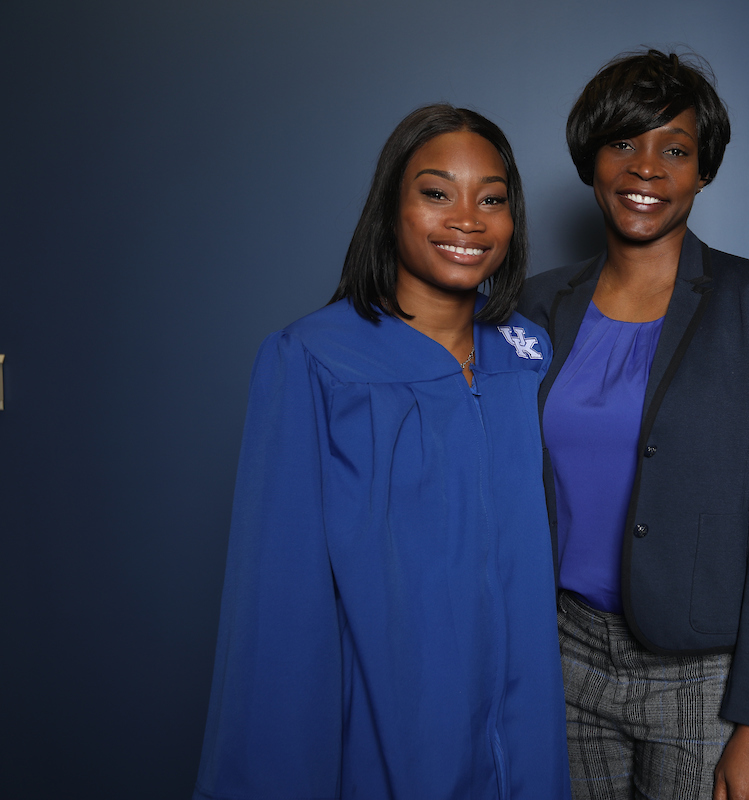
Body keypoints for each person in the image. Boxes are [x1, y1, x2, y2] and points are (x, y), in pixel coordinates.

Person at [194, 104, 571, 800]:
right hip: (387, 726)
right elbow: (281, 603)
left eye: (492, 199)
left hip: (521, 730)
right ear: (390, 209)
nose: (467, 218)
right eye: (436, 193)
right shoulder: (313, 358)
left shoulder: (525, 355)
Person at [518, 50, 749, 800]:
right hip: (560, 656)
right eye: (623, 142)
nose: (645, 168)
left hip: (698, 677)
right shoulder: (535, 305)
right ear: (592, 159)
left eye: (674, 149)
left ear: (704, 170)